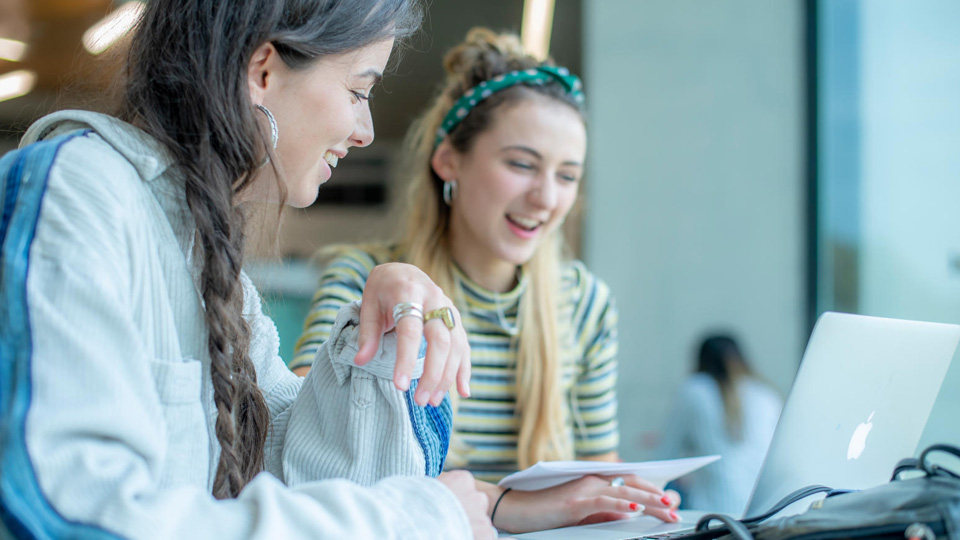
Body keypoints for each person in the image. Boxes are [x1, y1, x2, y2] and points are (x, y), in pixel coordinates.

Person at [0, 0, 497, 538]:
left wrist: (378, 344)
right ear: (262, 71)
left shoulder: (210, 258)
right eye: (358, 91)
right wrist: (414, 520)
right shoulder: (77, 190)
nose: (366, 131)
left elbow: (294, 473)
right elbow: (68, 514)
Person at [290, 28, 680, 533]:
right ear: (449, 158)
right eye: (522, 164)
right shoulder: (369, 282)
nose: (545, 198)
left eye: (567, 175)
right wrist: (505, 504)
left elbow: (597, 485)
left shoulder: (584, 304)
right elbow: (302, 443)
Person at [657, 334, 783, 515]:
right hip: (764, 509)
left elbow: (665, 456)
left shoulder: (693, 390)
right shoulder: (766, 394)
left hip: (712, 512)